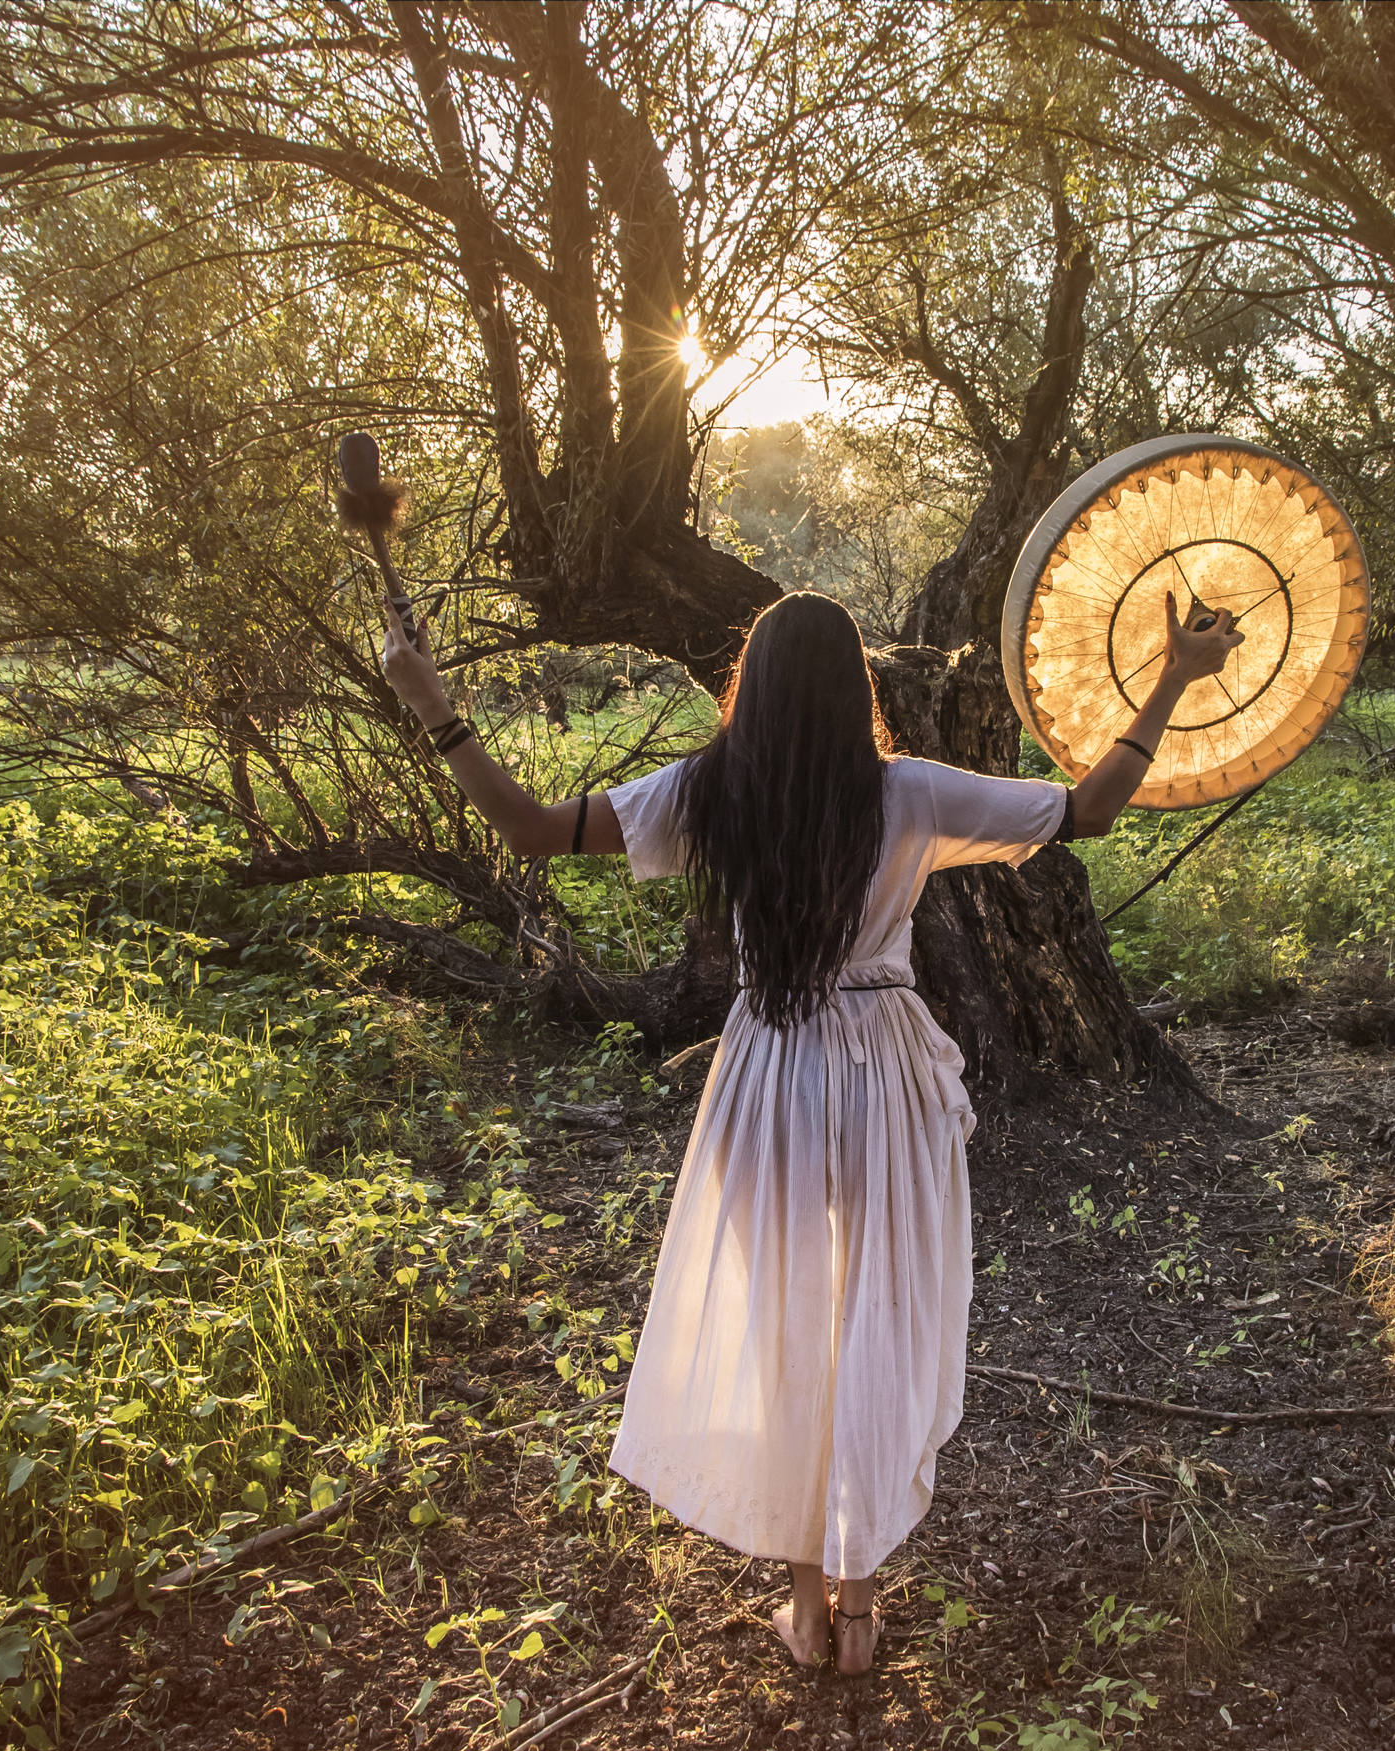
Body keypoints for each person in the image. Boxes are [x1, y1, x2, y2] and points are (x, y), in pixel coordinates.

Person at [381, 588, 1242, 1673]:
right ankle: (863, 1607)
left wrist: (435, 705)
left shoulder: (706, 793)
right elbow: (1090, 808)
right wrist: (1171, 677)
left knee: (788, 1323)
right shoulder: (910, 795)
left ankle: (804, 1605)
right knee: (872, 1317)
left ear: (753, 689)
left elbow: (527, 827)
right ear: (856, 693)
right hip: (882, 1070)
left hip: (772, 1070)